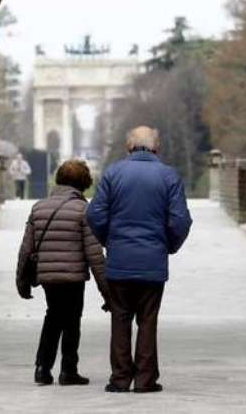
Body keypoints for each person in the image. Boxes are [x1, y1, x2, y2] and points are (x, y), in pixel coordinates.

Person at [86, 126, 192, 393]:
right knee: (148, 320)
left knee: (120, 319)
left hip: (120, 261)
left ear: (128, 147)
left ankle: (120, 378)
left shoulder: (112, 173)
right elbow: (180, 220)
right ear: (156, 148)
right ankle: (145, 380)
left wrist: (109, 241)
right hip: (152, 262)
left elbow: (95, 215)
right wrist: (168, 246)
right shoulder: (168, 175)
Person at [16, 159, 110, 386]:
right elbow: (94, 254)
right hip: (73, 276)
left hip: (47, 276)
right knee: (71, 320)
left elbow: (26, 248)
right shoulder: (83, 210)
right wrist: (107, 291)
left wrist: (22, 280)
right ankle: (68, 370)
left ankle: (42, 367)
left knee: (53, 316)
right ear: (83, 183)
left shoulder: (38, 208)